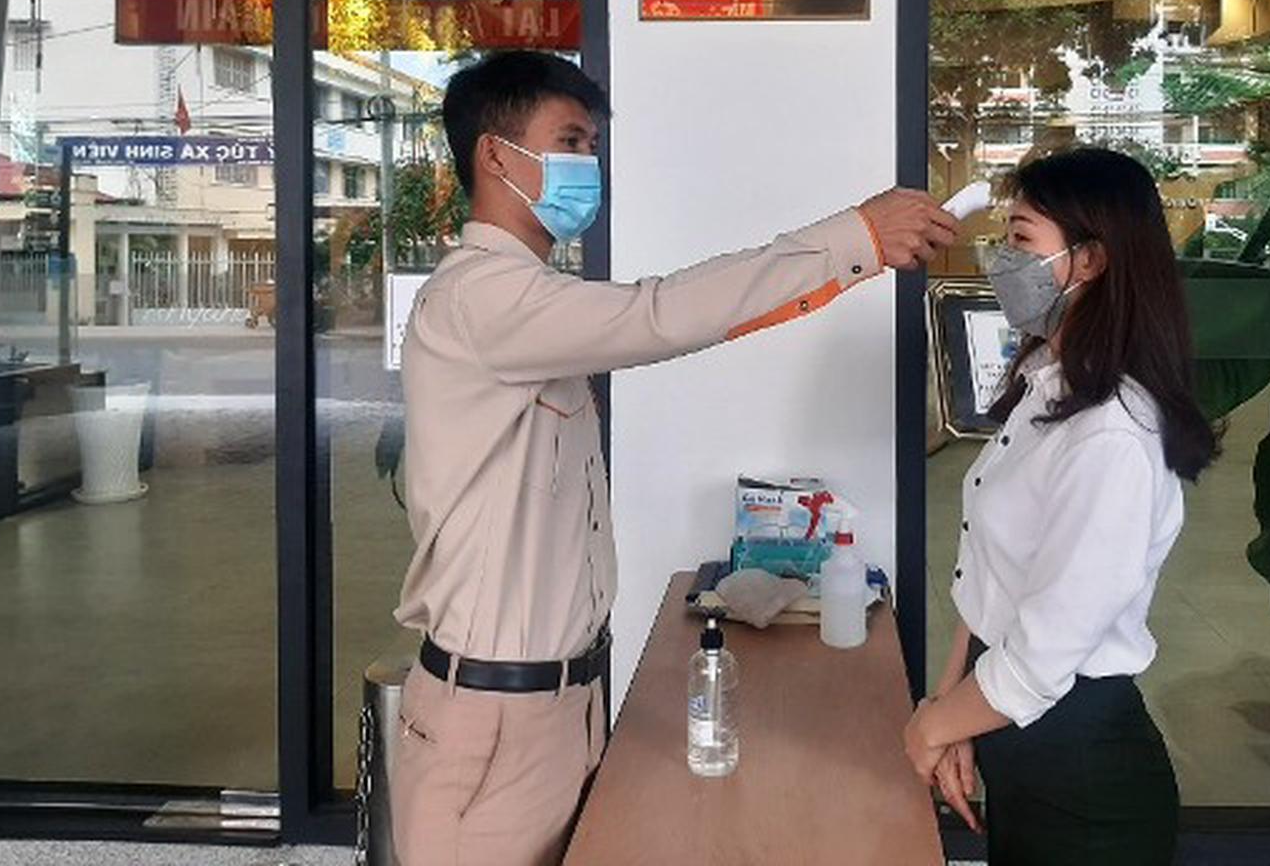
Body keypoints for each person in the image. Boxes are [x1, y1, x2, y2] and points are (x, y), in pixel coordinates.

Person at [391, 49, 958, 866]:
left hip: (557, 708)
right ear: (495, 155)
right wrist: (853, 239)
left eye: (592, 147)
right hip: (492, 721)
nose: (587, 166)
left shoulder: (529, 300)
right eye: (570, 141)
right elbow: (659, 313)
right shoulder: (480, 295)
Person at [903, 146, 1216, 866]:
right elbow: (992, 582)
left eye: (1020, 239)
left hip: (1082, 779)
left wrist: (933, 727)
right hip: (1016, 739)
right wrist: (953, 710)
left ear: (1091, 261)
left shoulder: (1113, 433)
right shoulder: (1051, 385)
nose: (1001, 260)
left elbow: (1049, 647)